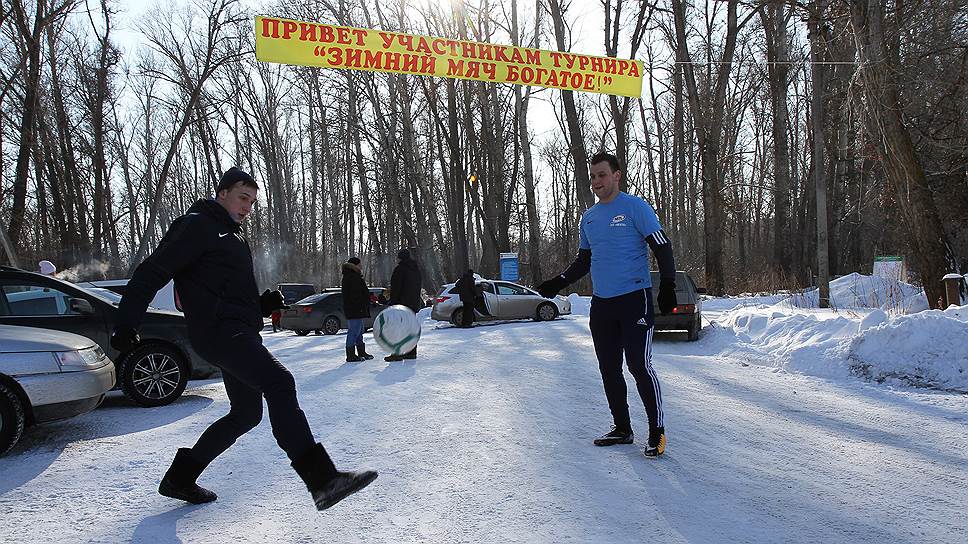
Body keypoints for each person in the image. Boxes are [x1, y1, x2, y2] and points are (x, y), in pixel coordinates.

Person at [111, 167, 377, 510]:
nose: (248, 206)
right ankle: (322, 480)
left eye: (252, 201)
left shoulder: (232, 236)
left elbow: (224, 290)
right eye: (242, 197)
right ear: (221, 193)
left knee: (246, 413)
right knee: (279, 382)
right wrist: (126, 322)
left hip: (236, 329)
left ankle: (180, 477)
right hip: (219, 331)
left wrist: (261, 305)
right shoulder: (196, 225)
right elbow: (152, 272)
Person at [537, 152, 678, 458]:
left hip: (633, 299)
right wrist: (557, 281)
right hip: (602, 305)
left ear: (616, 175)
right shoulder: (588, 218)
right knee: (609, 369)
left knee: (639, 366)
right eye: (593, 177)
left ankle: (657, 431)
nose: (596, 182)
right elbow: (584, 261)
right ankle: (622, 428)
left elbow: (662, 247)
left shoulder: (635, 207)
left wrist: (667, 286)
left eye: (602, 175)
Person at [385, 248, 422, 361]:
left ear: (400, 258)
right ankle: (411, 352)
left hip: (402, 304)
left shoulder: (400, 270)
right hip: (413, 303)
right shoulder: (416, 270)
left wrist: (392, 302)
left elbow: (396, 288)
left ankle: (397, 353)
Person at [341, 257, 374, 362]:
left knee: (359, 331)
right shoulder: (352, 277)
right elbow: (356, 294)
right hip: (354, 309)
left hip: (356, 308)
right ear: (355, 265)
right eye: (359, 264)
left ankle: (361, 352)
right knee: (353, 331)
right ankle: (350, 355)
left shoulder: (352, 276)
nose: (361, 266)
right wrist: (362, 303)